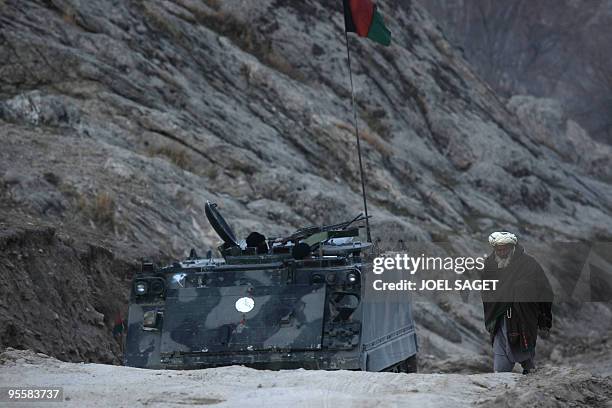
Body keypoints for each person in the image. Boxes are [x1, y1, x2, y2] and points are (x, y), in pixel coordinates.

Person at [481, 231, 553, 374]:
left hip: (523, 316)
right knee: (501, 349)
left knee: (523, 347)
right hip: (498, 316)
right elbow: (486, 291)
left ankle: (529, 373)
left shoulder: (528, 264)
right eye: (498, 249)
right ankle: (501, 377)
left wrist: (544, 317)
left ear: (512, 247)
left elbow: (545, 291)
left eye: (505, 249)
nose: (501, 252)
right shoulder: (489, 264)